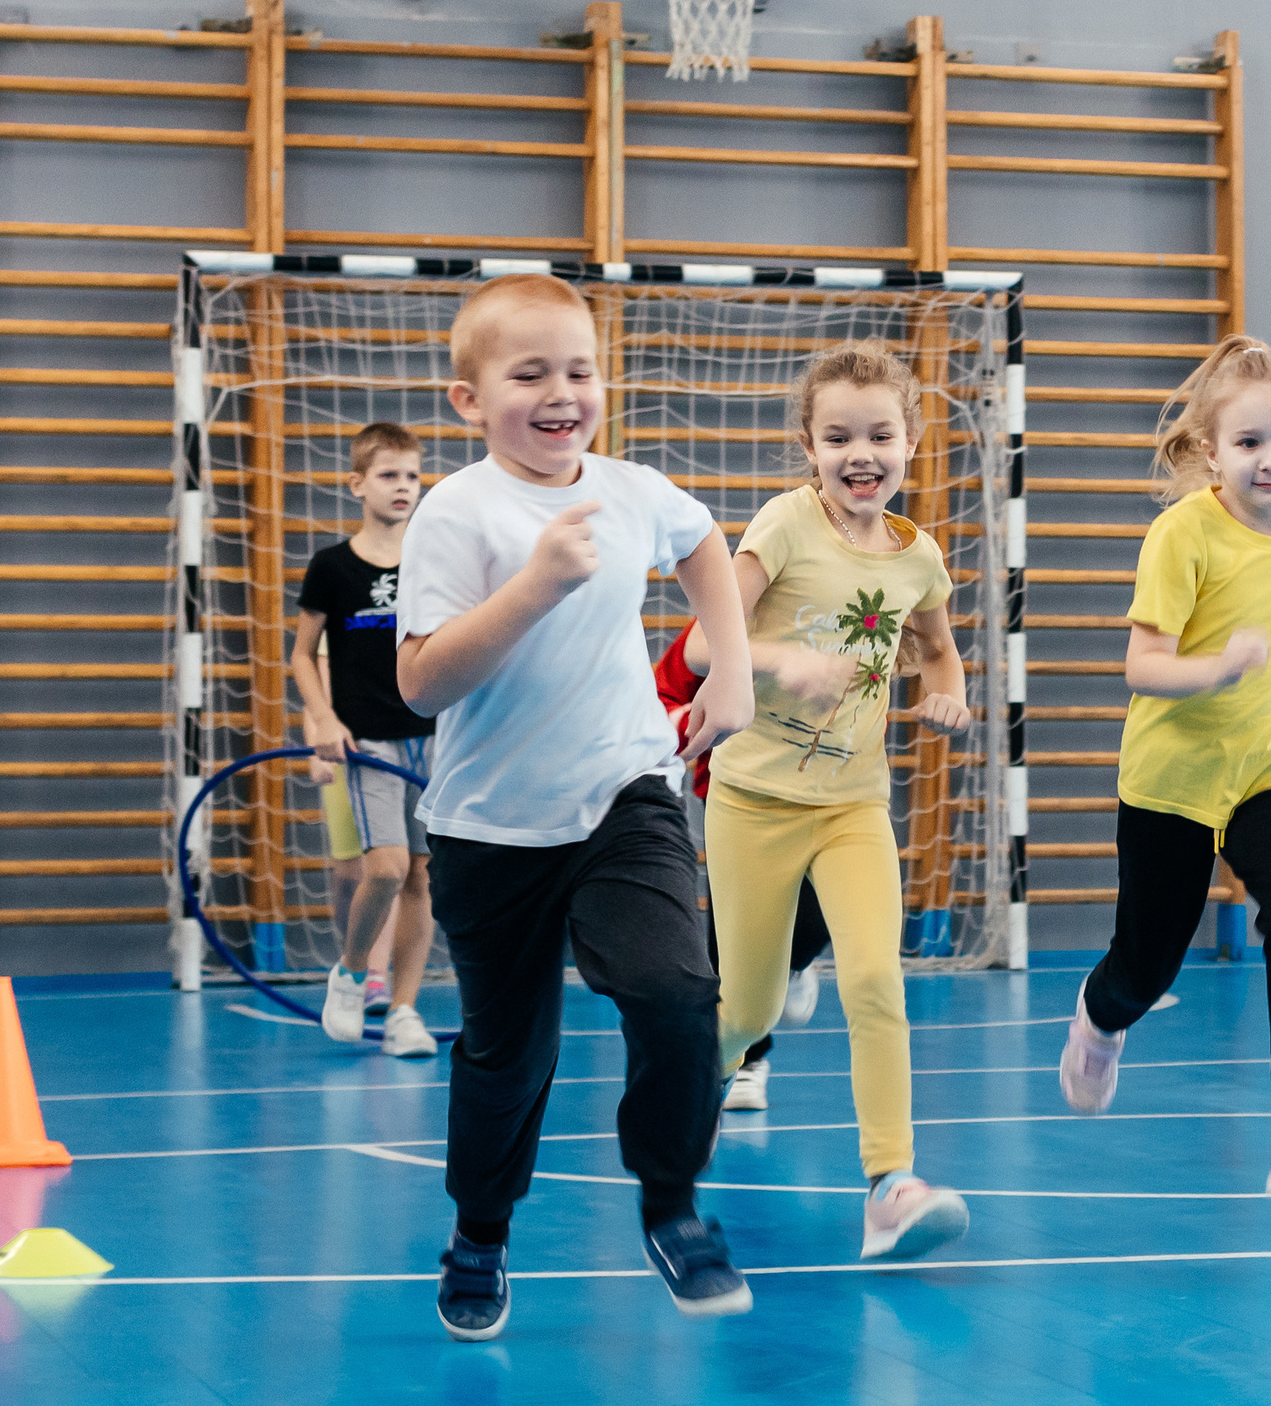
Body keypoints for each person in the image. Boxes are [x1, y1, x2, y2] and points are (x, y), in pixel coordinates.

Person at [395, 275, 756, 1338]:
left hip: (622, 796)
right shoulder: (456, 512)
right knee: (509, 1055)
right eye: (530, 373)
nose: (562, 393)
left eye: (580, 370)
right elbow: (418, 683)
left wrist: (728, 668)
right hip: (489, 827)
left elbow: (702, 545)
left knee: (679, 990)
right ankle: (479, 1231)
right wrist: (535, 584)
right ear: (469, 400)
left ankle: (671, 1203)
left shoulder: (632, 486)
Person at [1059, 335, 1271, 1198]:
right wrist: (1216, 668)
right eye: (1248, 444)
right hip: (1173, 781)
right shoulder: (1183, 535)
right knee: (1148, 964)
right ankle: (1098, 1022)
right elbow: (1140, 666)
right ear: (1212, 453)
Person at [682, 342, 974, 1261]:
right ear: (808, 445)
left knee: (875, 979)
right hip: (754, 801)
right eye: (839, 435)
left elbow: (937, 645)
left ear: (910, 441)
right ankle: (680, 1124)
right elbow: (699, 647)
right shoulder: (784, 525)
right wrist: (781, 660)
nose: (862, 454)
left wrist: (952, 689)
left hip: (854, 805)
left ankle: (891, 1183)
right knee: (748, 1009)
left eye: (881, 434)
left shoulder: (918, 556)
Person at [293, 422, 439, 1057]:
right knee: (384, 866)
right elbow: (302, 655)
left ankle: (404, 1009)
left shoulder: (435, 560)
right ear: (357, 485)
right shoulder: (333, 567)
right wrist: (322, 719)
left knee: (422, 880)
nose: (403, 487)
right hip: (368, 741)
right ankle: (352, 971)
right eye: (388, 475)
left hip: (434, 736)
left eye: (411, 476)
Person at [651, 625, 831, 1113]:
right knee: (729, 940)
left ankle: (791, 967)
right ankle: (748, 1061)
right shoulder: (721, 622)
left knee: (819, 918)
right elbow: (662, 694)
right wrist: (689, 719)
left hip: (827, 796)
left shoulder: (841, 618)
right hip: (736, 797)